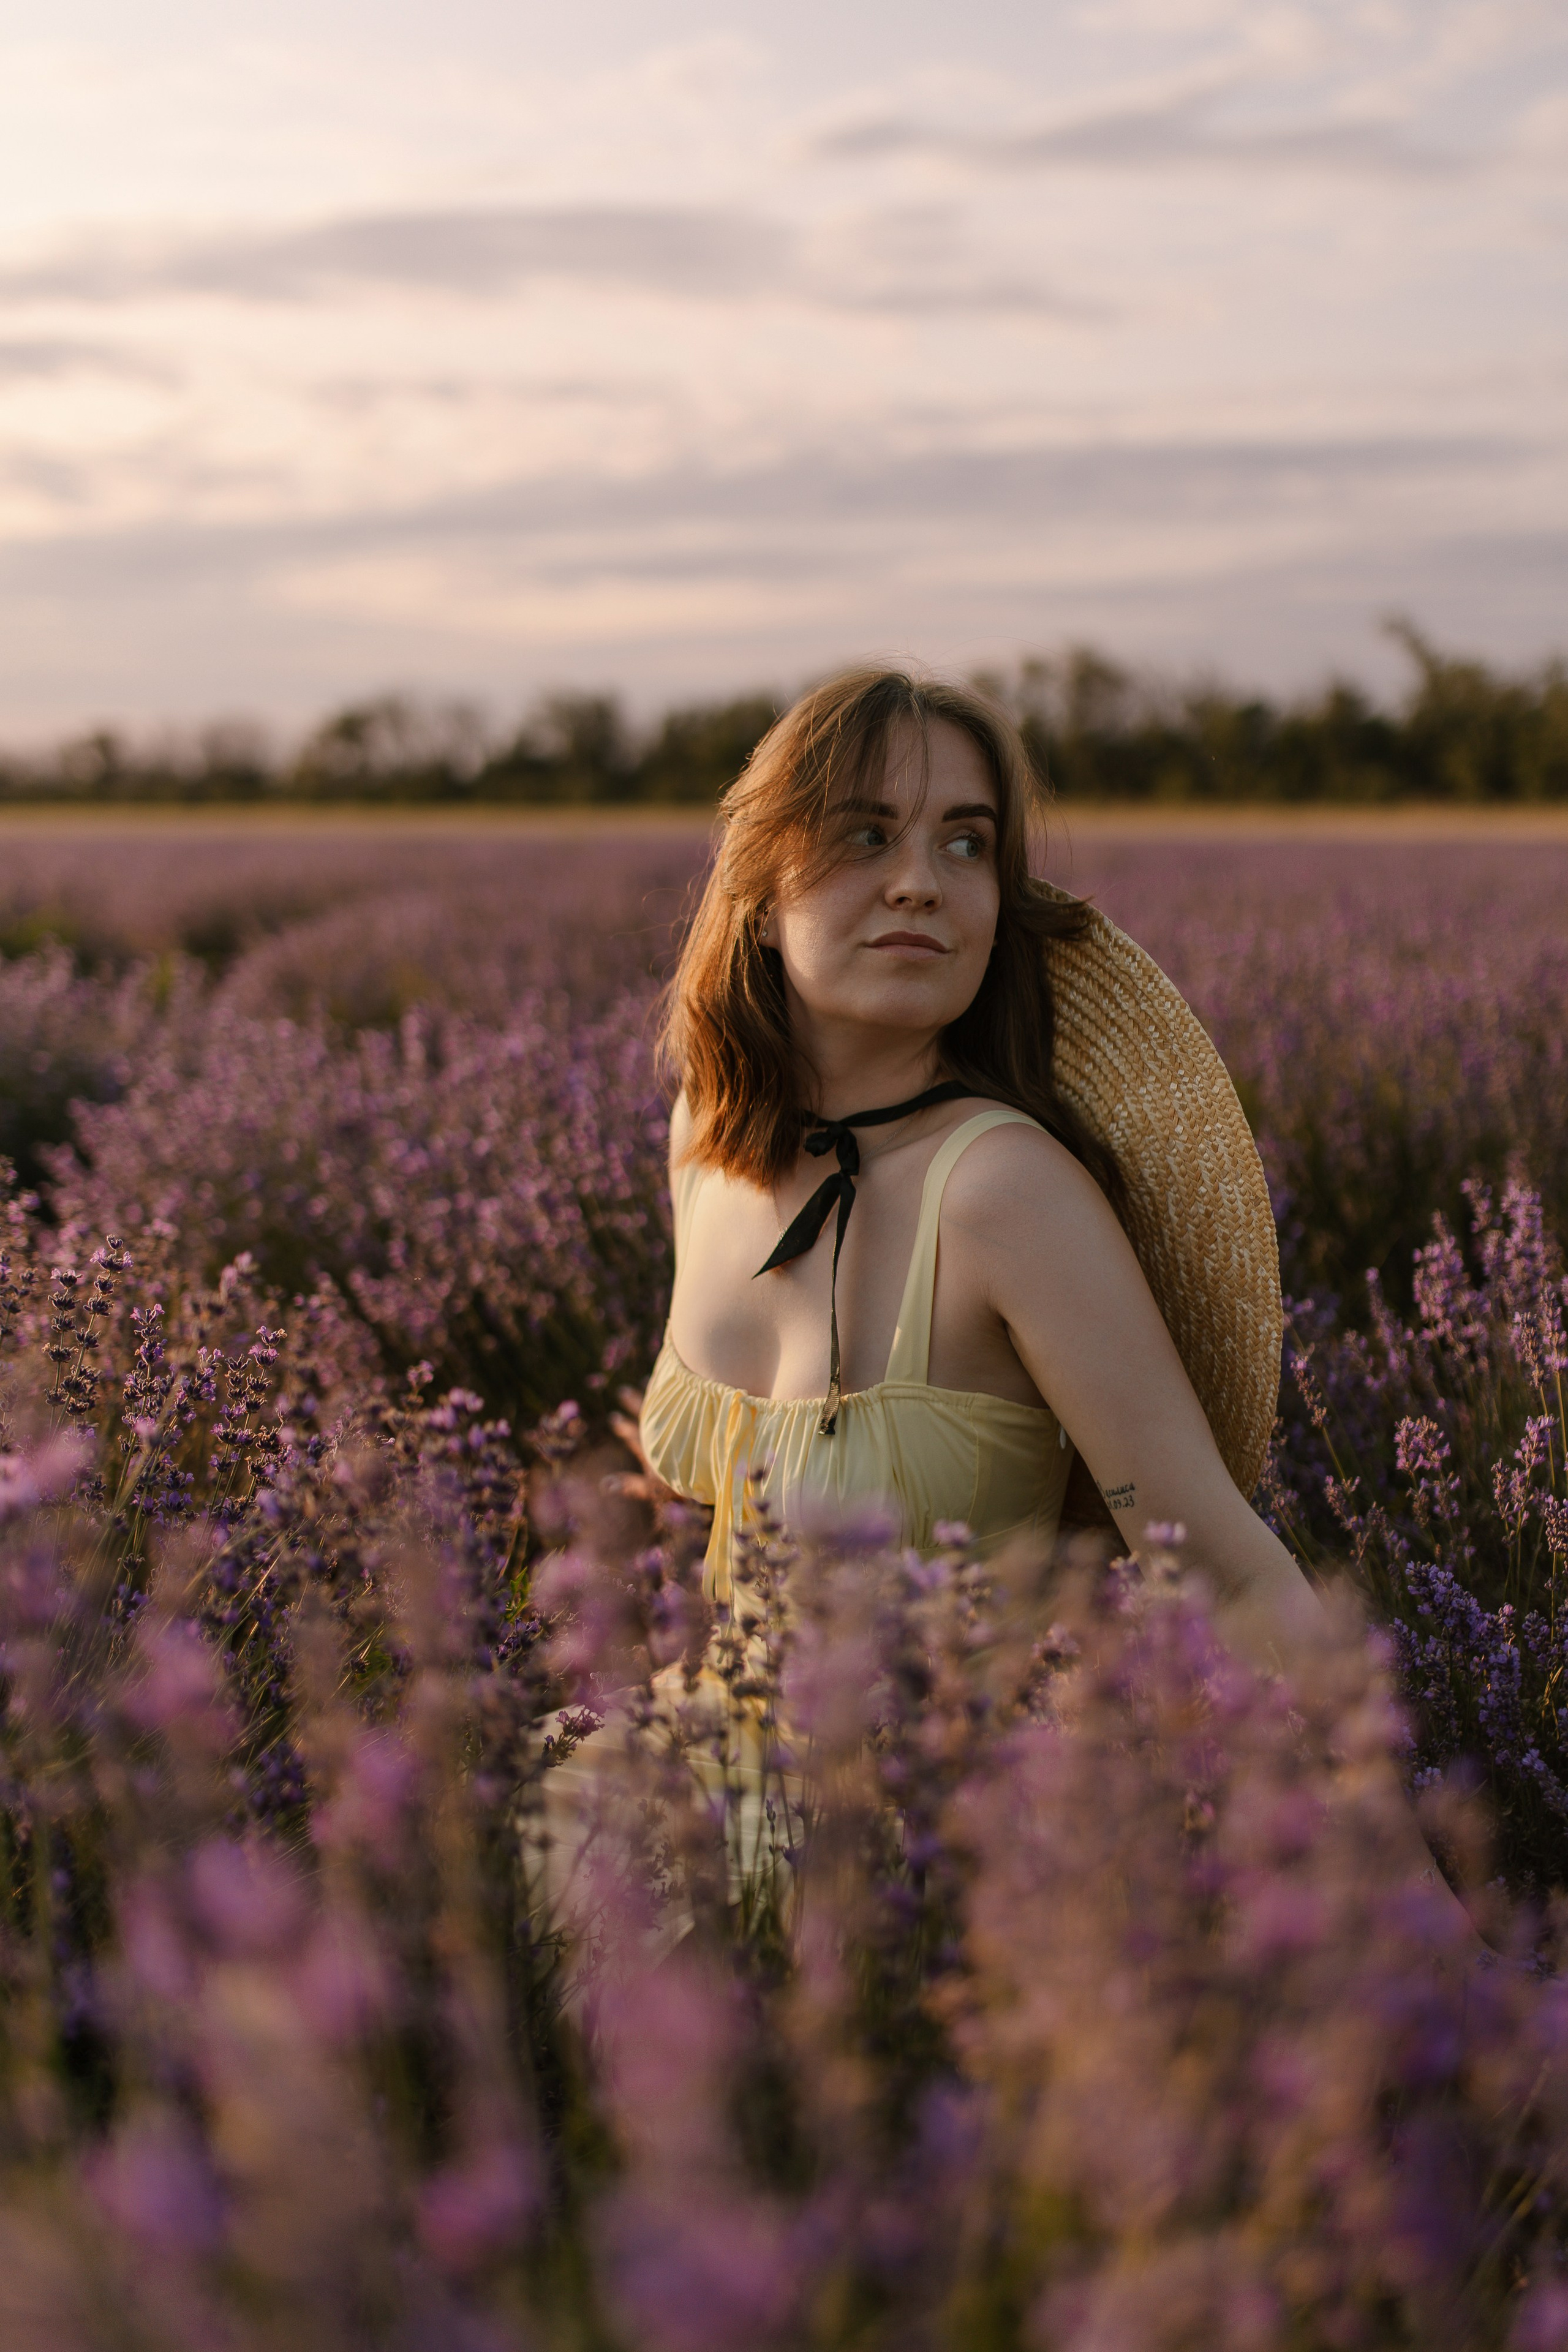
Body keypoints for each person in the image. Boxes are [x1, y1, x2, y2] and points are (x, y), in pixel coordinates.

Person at [641, 666, 1325, 1676]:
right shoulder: (707, 1133)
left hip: (922, 1816)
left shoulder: (1002, 1194)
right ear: (760, 890)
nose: (921, 878)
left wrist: (1377, 1823)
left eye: (967, 844)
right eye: (866, 834)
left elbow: (1215, 1564)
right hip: (690, 1758)